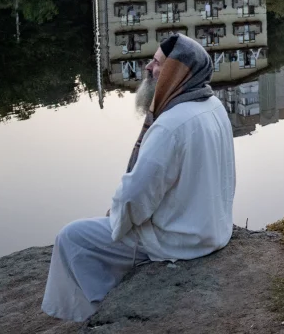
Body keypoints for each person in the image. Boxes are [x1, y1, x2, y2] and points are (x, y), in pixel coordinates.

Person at [42, 34, 235, 322]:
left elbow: (135, 196)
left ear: (176, 72)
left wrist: (117, 218)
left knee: (72, 237)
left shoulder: (170, 124)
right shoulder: (212, 106)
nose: (148, 69)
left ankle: (100, 310)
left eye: (158, 64)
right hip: (214, 229)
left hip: (179, 240)